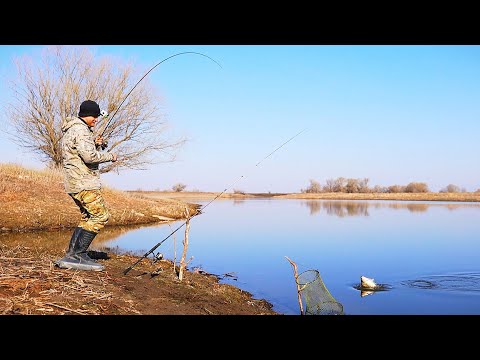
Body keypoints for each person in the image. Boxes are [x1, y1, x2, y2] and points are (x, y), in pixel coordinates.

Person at [55, 100, 117, 271]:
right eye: (94, 116)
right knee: (100, 216)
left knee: (87, 217)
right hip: (84, 182)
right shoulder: (81, 131)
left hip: (75, 182)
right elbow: (89, 158)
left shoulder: (73, 130)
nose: (96, 119)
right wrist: (110, 156)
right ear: (86, 114)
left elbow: (80, 152)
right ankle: (78, 255)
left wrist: (95, 144)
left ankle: (73, 253)